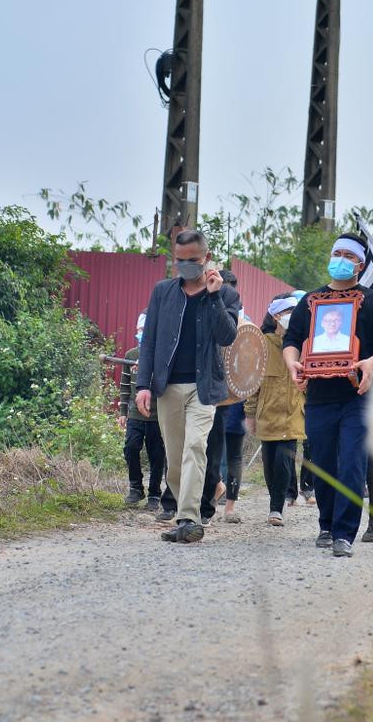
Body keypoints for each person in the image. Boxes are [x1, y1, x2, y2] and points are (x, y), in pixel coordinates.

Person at [283, 233, 373, 558]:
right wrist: (293, 365)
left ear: (360, 264)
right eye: (337, 253)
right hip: (318, 395)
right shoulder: (311, 302)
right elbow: (292, 339)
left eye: (349, 255)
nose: (342, 260)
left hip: (357, 396)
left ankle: (344, 533)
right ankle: (326, 524)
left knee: (352, 463)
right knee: (323, 462)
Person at [136, 231, 241, 544]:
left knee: (195, 447)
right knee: (176, 455)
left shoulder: (225, 295)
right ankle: (185, 515)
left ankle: (189, 519)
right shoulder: (162, 292)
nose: (184, 265)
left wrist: (212, 296)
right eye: (179, 260)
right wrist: (143, 385)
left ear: (206, 258)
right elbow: (150, 340)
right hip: (167, 386)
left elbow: (227, 336)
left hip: (203, 386)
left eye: (192, 260)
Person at [244, 294, 305, 526]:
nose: (292, 316)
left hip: (293, 412)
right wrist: (250, 413)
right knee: (269, 463)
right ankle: (275, 500)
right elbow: (252, 382)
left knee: (283, 459)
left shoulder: (302, 344)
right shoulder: (261, 343)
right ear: (276, 316)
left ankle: (276, 508)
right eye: (288, 311)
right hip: (267, 411)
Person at [119, 311, 166, 511]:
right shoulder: (130, 356)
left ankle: (155, 493)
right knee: (130, 448)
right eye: (140, 330)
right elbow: (124, 387)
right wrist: (122, 412)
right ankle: (135, 487)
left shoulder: (162, 356)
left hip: (157, 415)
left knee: (156, 455)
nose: (143, 334)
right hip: (135, 414)